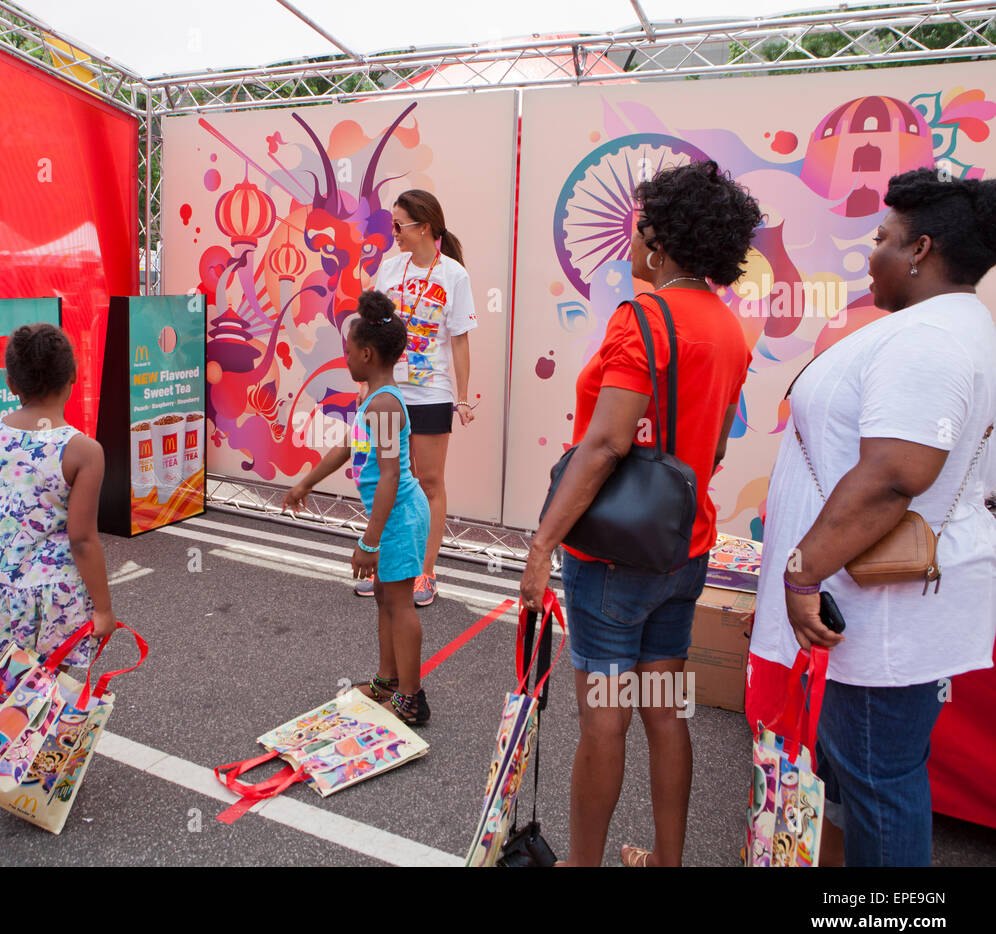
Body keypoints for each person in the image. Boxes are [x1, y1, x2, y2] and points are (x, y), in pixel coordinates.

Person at [518, 160, 763, 866]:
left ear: (659, 242)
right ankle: (666, 860)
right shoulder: (727, 327)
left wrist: (541, 546)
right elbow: (711, 449)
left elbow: (603, 445)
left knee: (602, 719)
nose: (629, 242)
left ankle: (583, 864)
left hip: (611, 564)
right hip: (683, 551)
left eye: (637, 228)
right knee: (663, 706)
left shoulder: (641, 319)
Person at [749, 169, 996, 866]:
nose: (870, 251)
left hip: (876, 614)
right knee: (867, 778)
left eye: (883, 238)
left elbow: (894, 475)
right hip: (872, 605)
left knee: (878, 781)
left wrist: (801, 574)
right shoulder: (947, 330)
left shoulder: (931, 340)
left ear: (920, 250)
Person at [0, 323, 117, 804]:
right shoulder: (83, 450)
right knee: (51, 684)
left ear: (10, 384)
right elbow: (83, 539)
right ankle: (36, 783)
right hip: (55, 596)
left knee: (3, 681)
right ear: (73, 379)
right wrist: (103, 609)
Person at [284, 290, 432, 724]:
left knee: (400, 602)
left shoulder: (384, 404)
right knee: (385, 594)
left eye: (348, 351)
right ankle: (389, 679)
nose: (344, 357)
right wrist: (306, 481)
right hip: (393, 514)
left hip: (400, 516)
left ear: (366, 354)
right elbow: (348, 447)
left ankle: (411, 697)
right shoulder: (373, 398)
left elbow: (388, 476)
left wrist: (369, 541)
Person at [355, 189, 476, 607]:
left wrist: (462, 398)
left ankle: (424, 570)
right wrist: (365, 388)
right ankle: (386, 564)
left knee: (428, 482)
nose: (394, 234)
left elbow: (459, 342)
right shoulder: (389, 270)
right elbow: (370, 332)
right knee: (392, 478)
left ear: (424, 227)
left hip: (431, 394)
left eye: (399, 226)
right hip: (390, 393)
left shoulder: (454, 276)